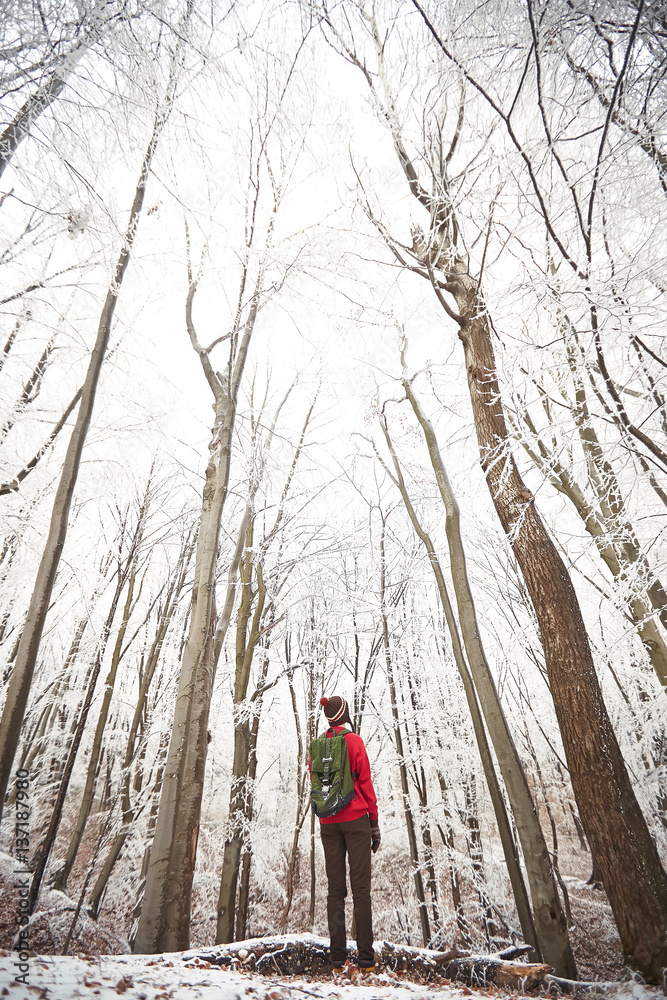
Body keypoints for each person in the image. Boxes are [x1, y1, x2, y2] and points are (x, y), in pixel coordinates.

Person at [312, 695, 380, 970]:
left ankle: (338, 957)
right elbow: (366, 783)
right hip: (355, 821)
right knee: (361, 889)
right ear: (344, 714)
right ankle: (366, 958)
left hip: (328, 821)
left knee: (335, 890)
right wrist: (373, 822)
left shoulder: (318, 745)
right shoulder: (354, 742)